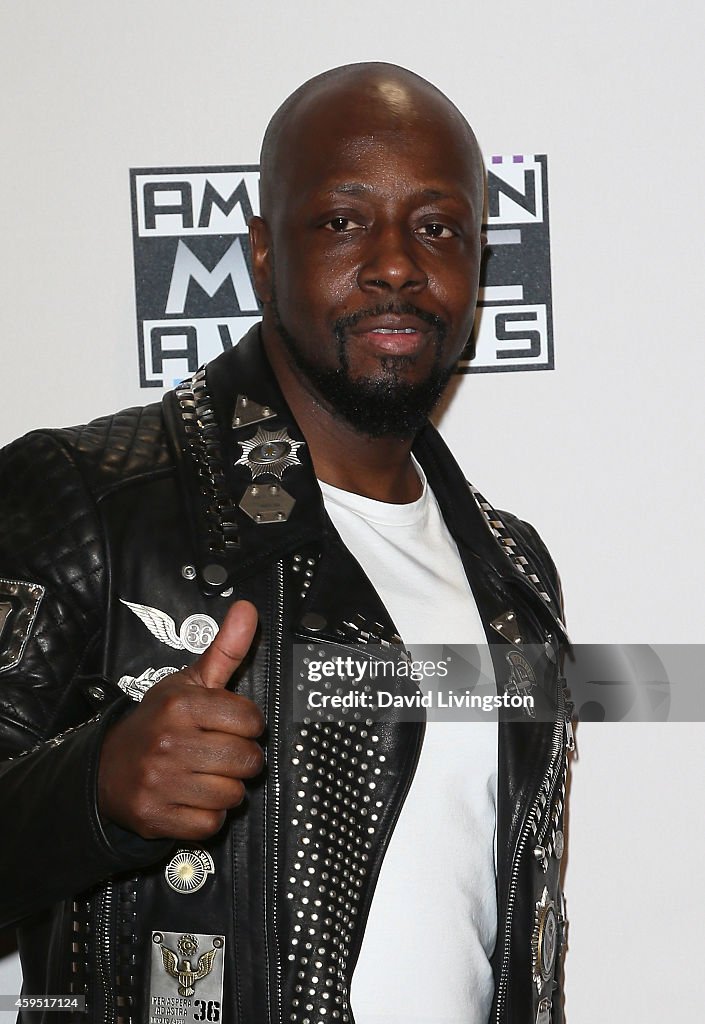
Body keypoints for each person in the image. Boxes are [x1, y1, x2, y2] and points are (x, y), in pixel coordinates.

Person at [0, 63, 571, 1024]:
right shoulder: (89, 496)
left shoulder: (513, 571)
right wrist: (91, 789)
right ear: (262, 254)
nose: (395, 263)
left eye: (436, 227)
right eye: (343, 222)